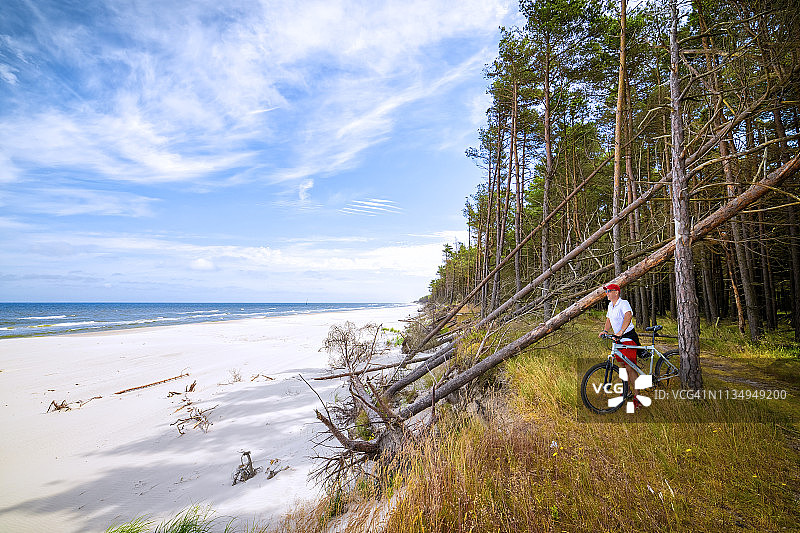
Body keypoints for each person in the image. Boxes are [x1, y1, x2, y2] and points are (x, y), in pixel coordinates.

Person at [598, 283, 642, 409]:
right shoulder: (610, 306)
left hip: (628, 337)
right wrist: (605, 331)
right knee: (622, 367)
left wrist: (621, 331)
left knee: (630, 368)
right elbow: (608, 319)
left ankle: (637, 398)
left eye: (609, 291)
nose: (606, 293)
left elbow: (628, 315)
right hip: (618, 339)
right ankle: (627, 391)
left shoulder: (623, 303)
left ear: (616, 293)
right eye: (606, 291)